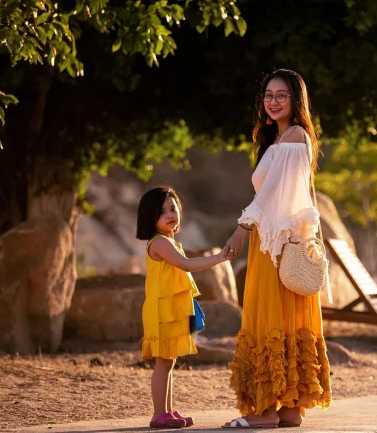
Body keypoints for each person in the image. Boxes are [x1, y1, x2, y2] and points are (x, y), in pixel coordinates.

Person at [222, 69, 332, 429]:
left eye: (281, 95)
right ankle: (288, 410)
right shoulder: (279, 137)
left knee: (268, 316)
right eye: (268, 95)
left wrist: (241, 228)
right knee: (283, 318)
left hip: (276, 246)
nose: (273, 101)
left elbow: (269, 195)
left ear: (296, 100)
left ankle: (265, 411)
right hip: (277, 241)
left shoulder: (295, 136)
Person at [136, 186, 229, 429]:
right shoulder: (158, 243)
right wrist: (219, 258)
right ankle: (158, 414)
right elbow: (186, 265)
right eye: (162, 211)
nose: (170, 214)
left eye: (173, 208)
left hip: (170, 309)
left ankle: (166, 411)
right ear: (150, 217)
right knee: (163, 362)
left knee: (169, 361)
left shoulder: (169, 241)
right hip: (160, 310)